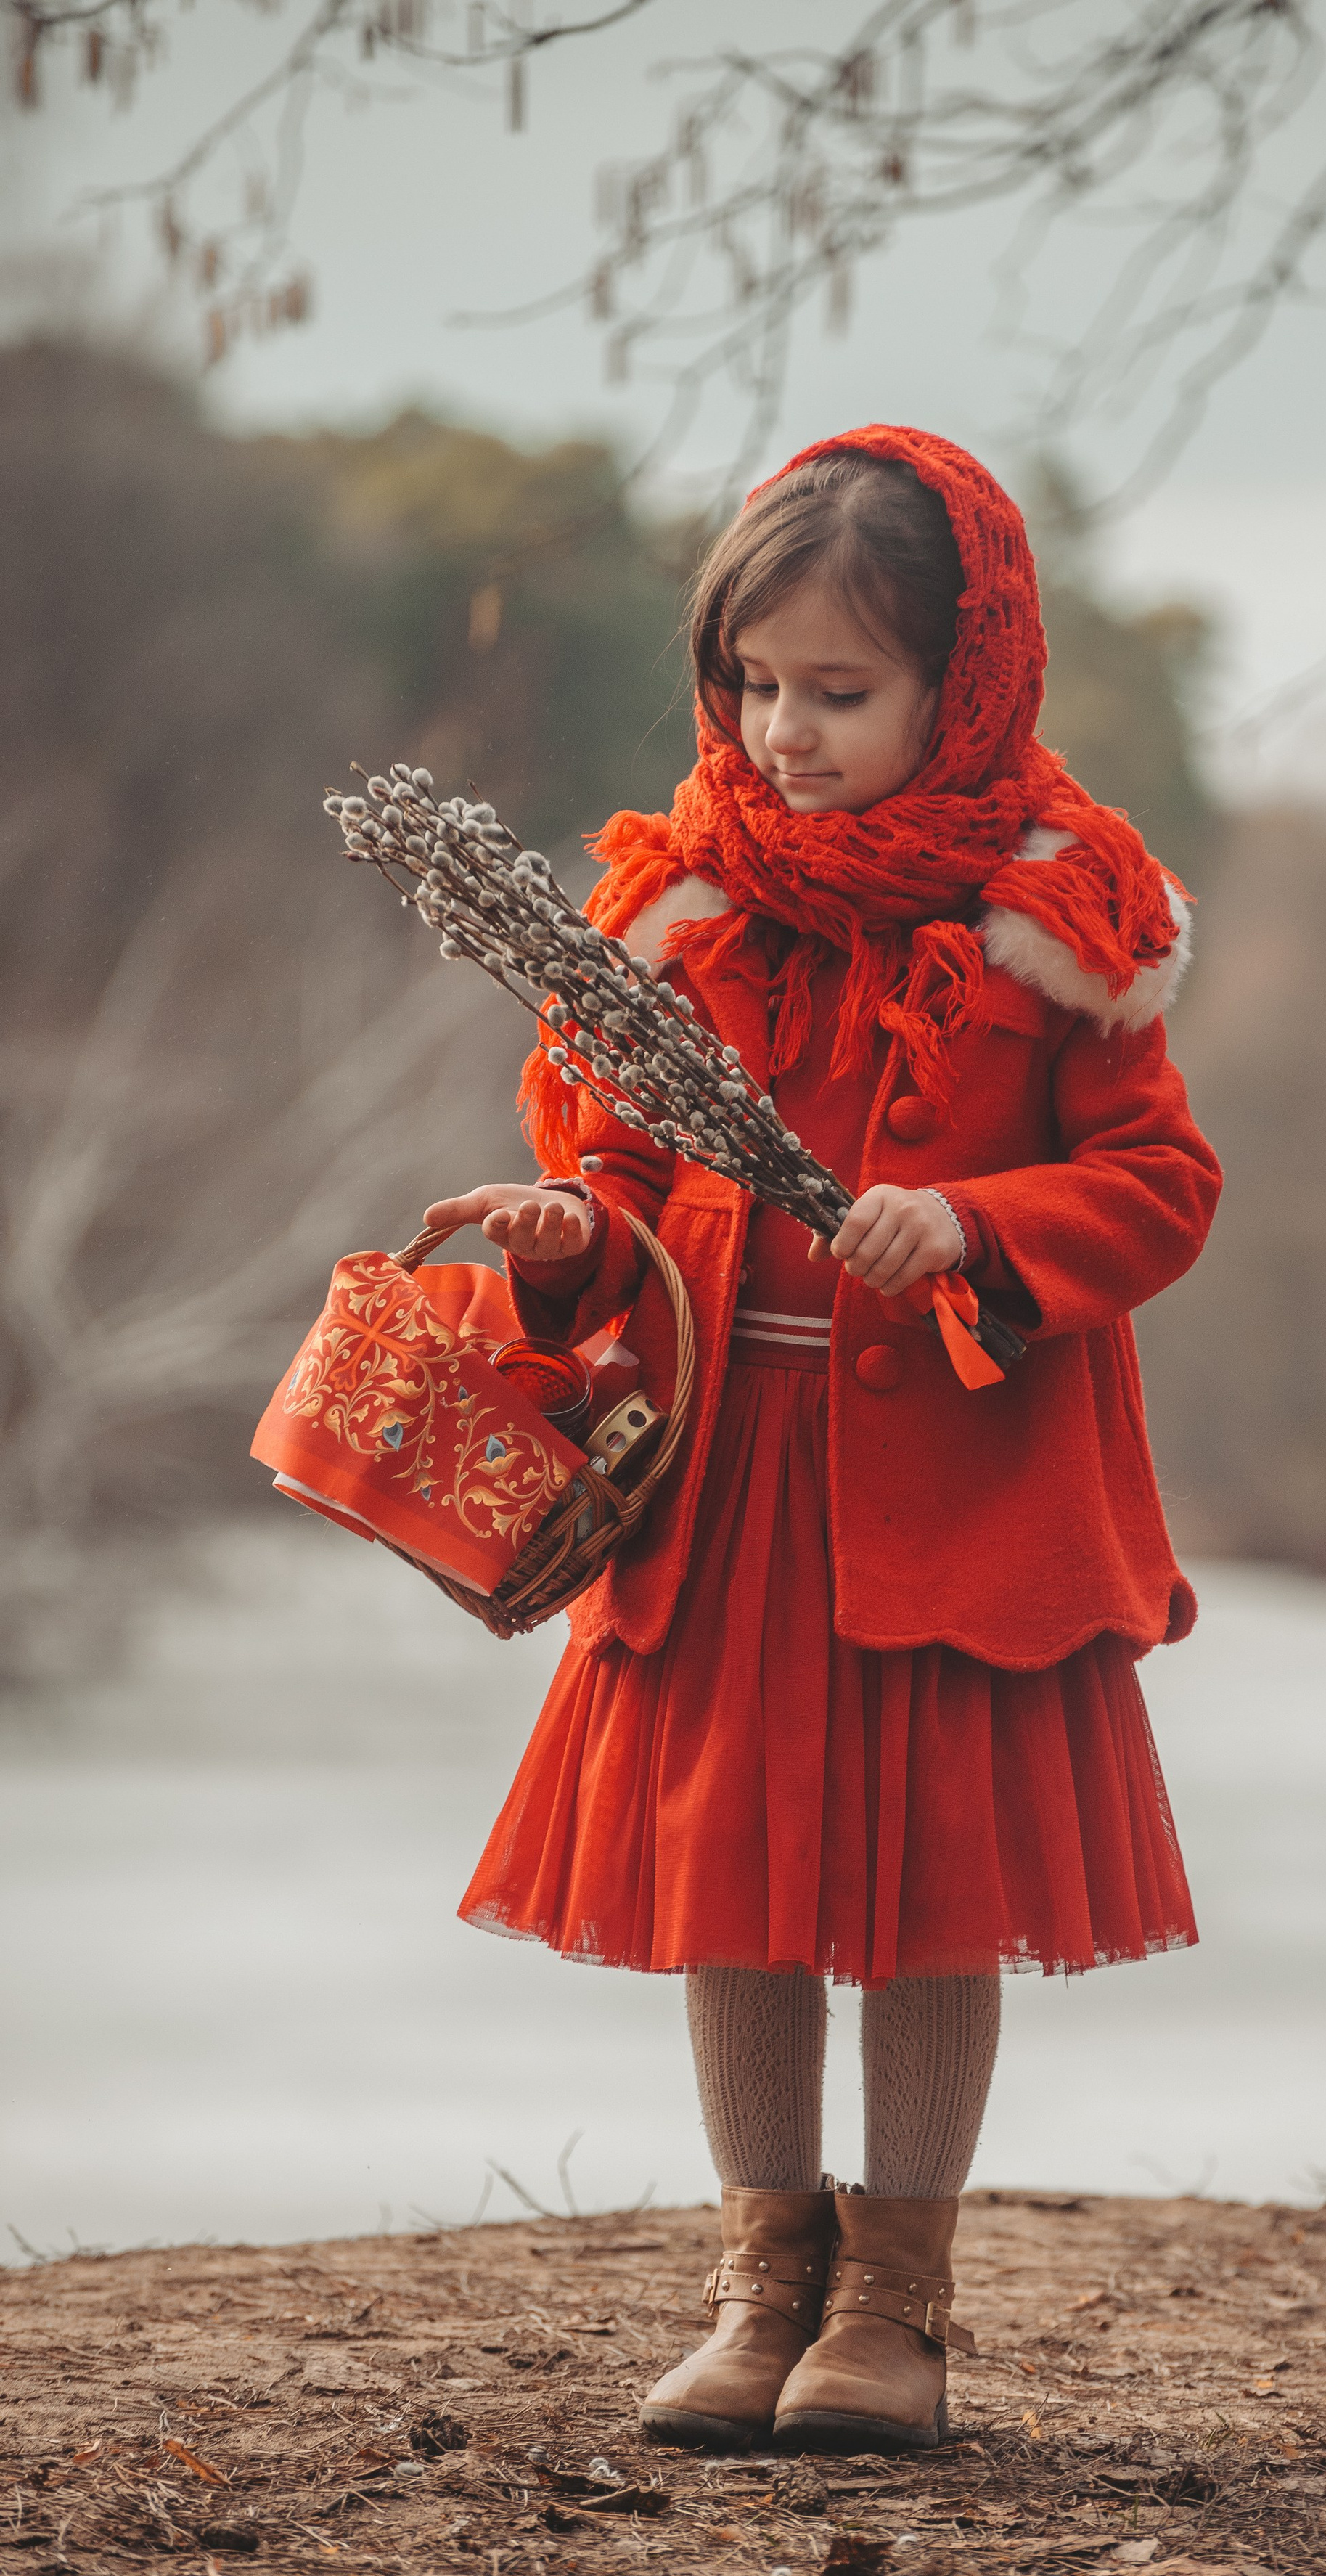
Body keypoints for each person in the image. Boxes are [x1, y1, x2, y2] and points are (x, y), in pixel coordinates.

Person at [421, 425, 1221, 2456]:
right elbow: (613, 1182)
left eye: (839, 691)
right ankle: (762, 2275)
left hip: (957, 1488)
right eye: (753, 682)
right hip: (729, 1480)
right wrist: (566, 1238)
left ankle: (900, 2305)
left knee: (938, 1882)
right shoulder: (677, 912)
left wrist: (977, 1224)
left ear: (964, 682)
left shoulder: (1065, 914)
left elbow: (1161, 1186)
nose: (784, 729)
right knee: (740, 1877)